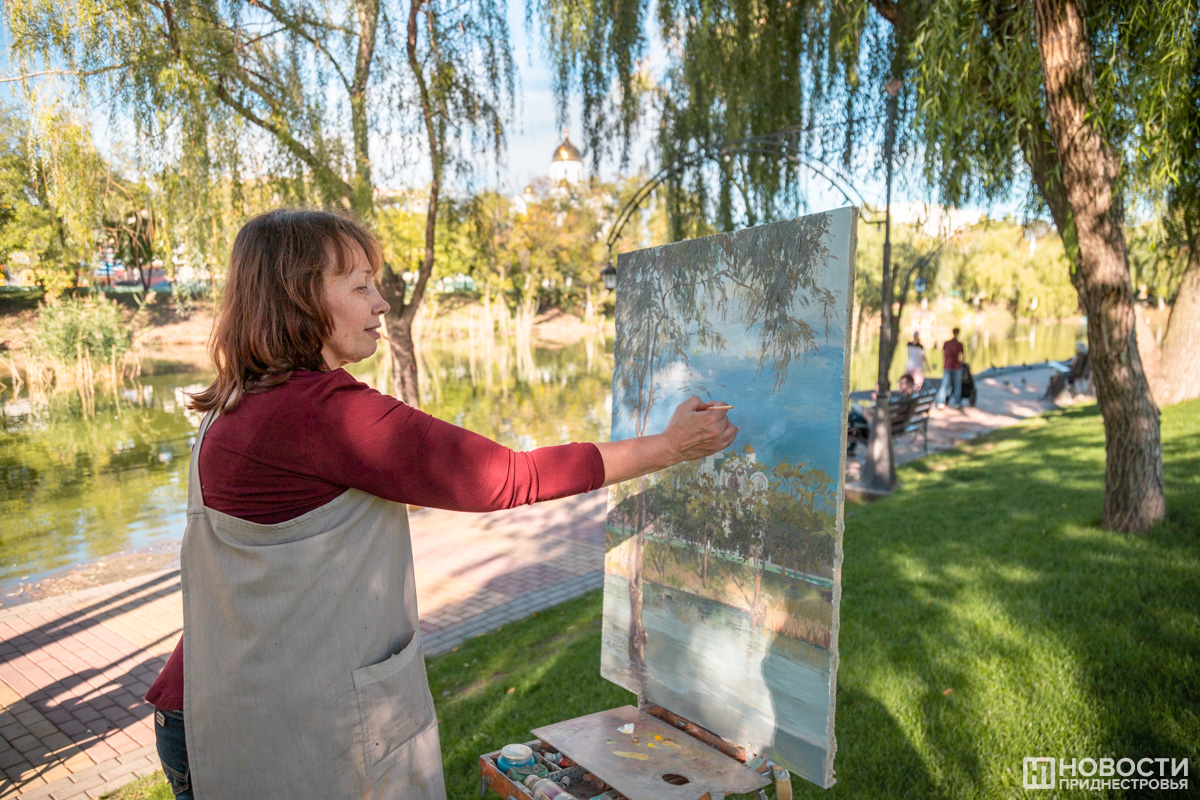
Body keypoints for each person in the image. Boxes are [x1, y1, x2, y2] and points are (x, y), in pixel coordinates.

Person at [143, 209, 738, 800]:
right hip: (264, 724)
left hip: (218, 699)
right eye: (360, 286)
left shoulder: (244, 401)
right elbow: (506, 478)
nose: (381, 304)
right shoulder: (320, 413)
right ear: (300, 299)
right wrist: (667, 446)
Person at [936, 327, 965, 409]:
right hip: (956, 366)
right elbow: (963, 357)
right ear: (958, 333)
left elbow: (943, 354)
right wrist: (961, 363)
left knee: (945, 384)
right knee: (957, 385)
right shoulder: (959, 344)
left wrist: (944, 362)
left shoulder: (947, 343)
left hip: (947, 365)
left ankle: (941, 402)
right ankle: (957, 403)